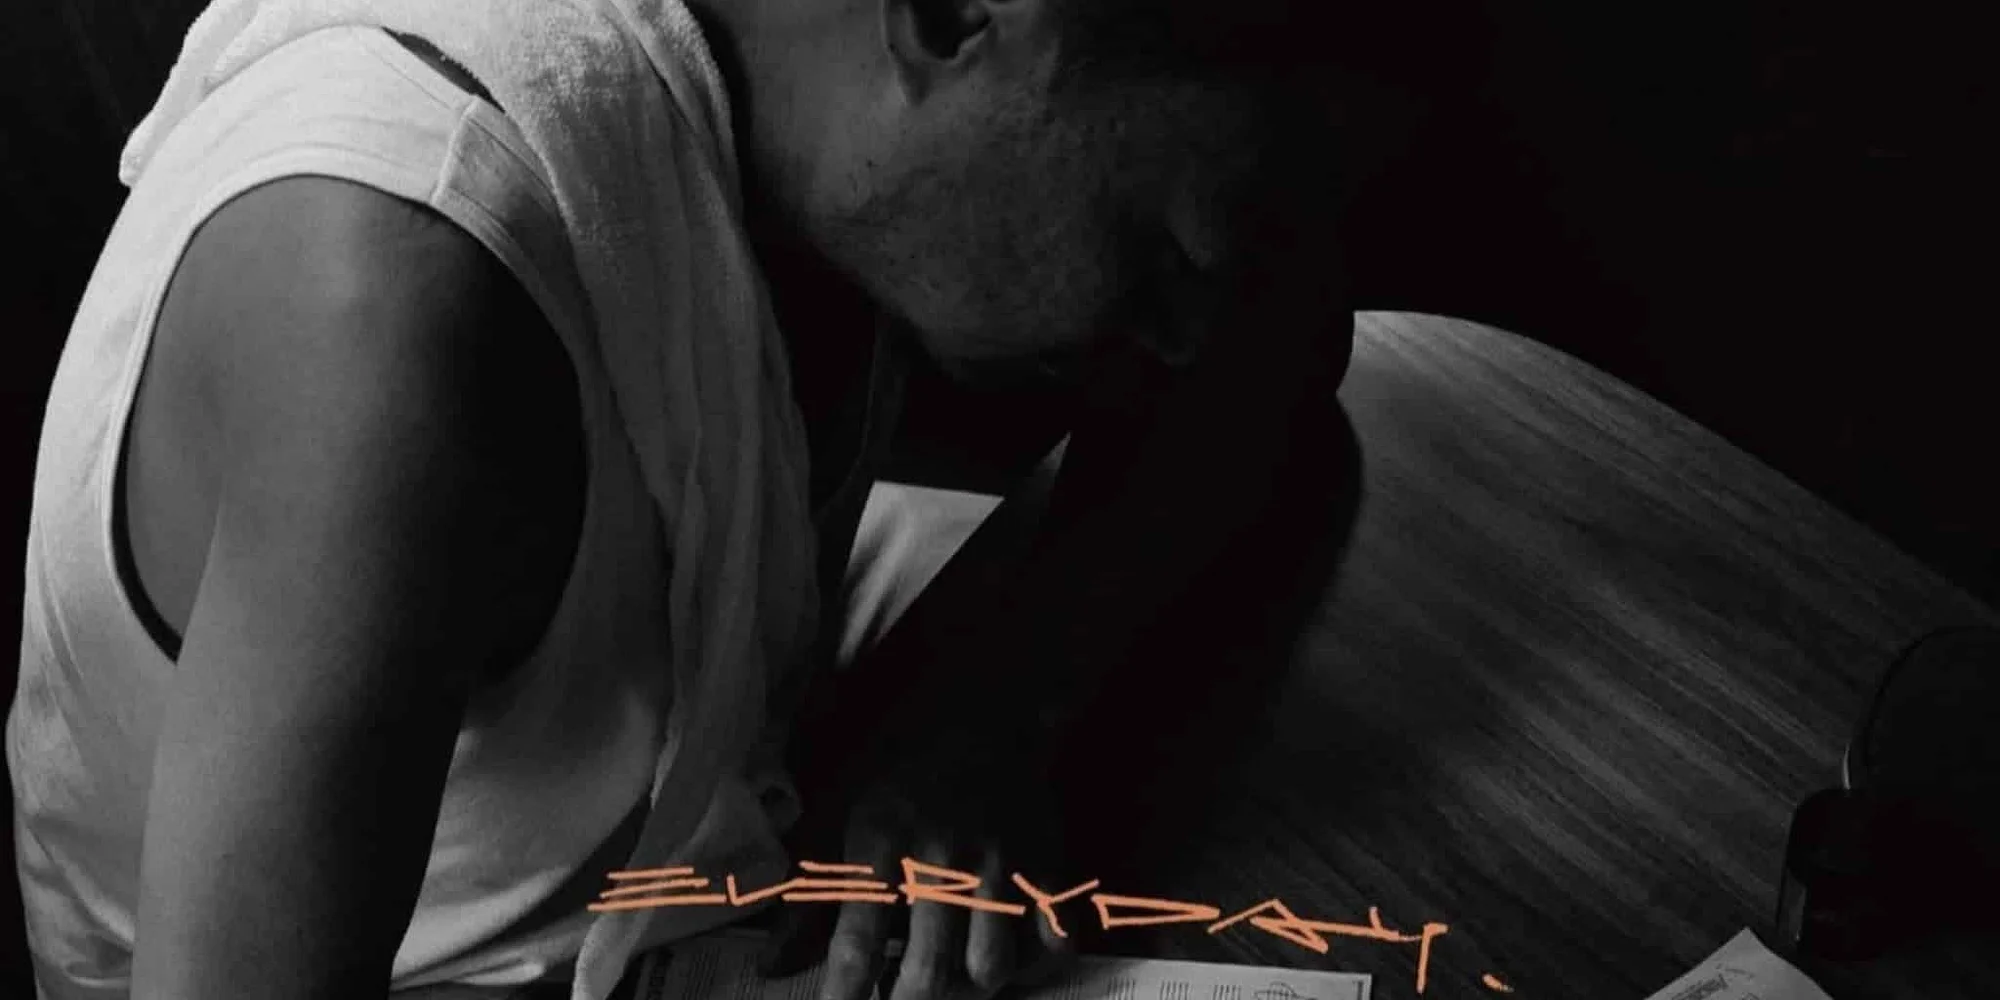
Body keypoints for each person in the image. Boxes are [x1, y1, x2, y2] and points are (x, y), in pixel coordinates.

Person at [7, 0, 1369, 997]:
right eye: (1163, 254)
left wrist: (979, 723)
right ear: (953, 16)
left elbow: (1282, 338)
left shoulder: (794, 101)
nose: (1186, 327)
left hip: (715, 769)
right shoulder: (392, 312)